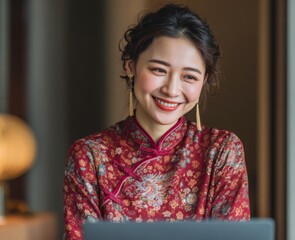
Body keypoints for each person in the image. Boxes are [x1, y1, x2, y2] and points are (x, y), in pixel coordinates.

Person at [63, 4, 250, 240]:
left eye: (189, 77)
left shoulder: (221, 152)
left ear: (204, 81)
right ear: (130, 66)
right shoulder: (89, 156)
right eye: (159, 70)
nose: (171, 89)